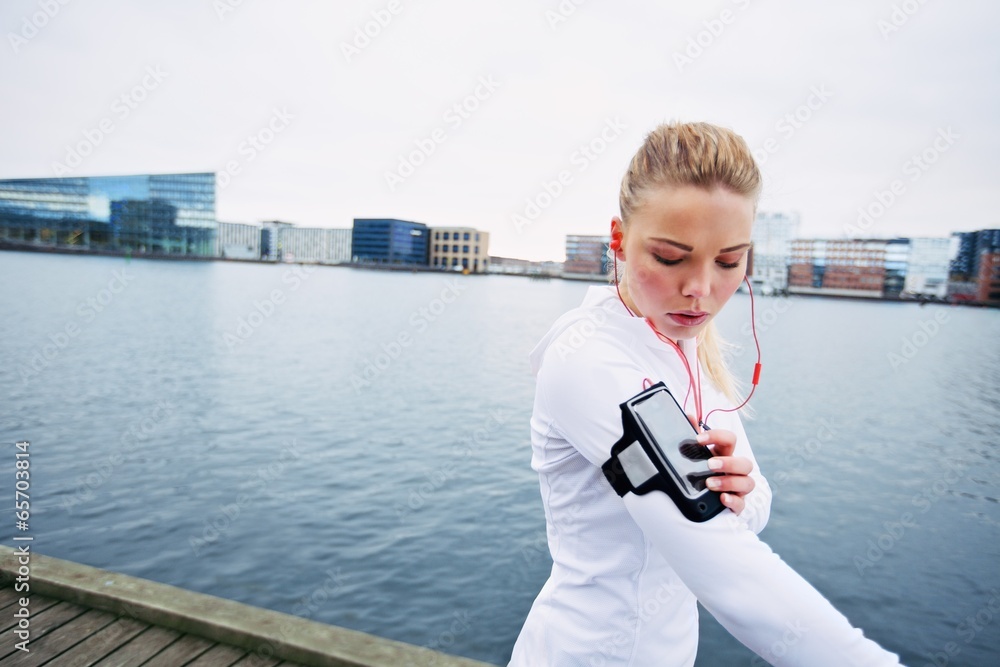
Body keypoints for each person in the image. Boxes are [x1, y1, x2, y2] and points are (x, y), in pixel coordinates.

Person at [508, 122, 904, 666]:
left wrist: (738, 493)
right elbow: (723, 563)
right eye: (671, 257)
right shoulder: (586, 358)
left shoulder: (687, 347)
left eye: (727, 261)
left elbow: (754, 502)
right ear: (619, 240)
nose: (701, 289)